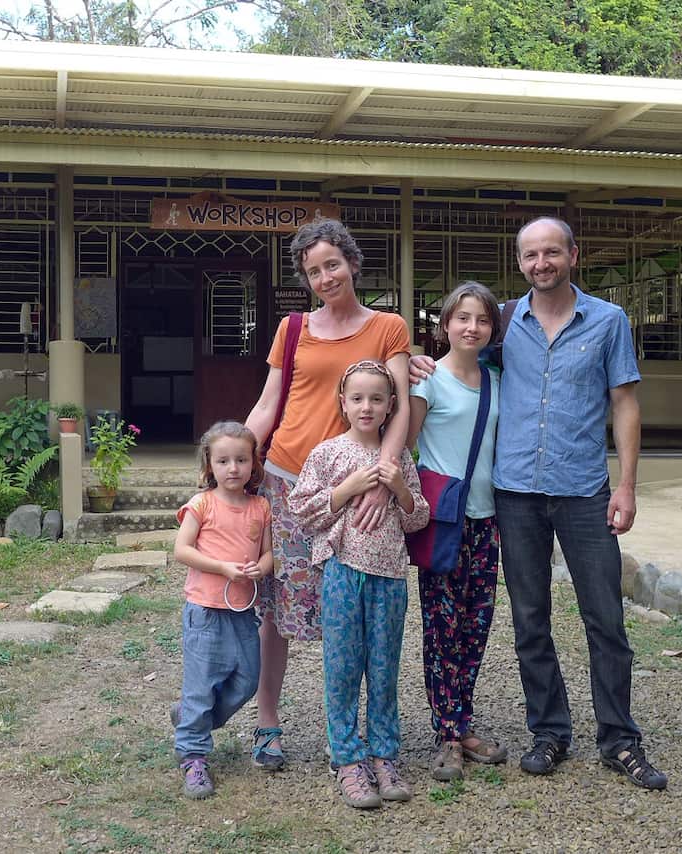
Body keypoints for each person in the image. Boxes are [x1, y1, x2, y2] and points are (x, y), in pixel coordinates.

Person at [411, 215, 666, 790]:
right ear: (519, 262)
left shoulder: (608, 321)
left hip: (583, 491)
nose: (541, 263)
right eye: (530, 256)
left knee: (605, 618)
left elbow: (624, 402)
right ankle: (549, 731)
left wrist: (626, 485)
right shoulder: (503, 321)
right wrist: (414, 360)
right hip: (516, 495)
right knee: (530, 620)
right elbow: (462, 359)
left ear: (574, 255)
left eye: (552, 252)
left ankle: (619, 739)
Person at [244, 218, 412, 771]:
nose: (324, 277)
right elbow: (270, 403)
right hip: (292, 481)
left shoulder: (388, 327)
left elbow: (400, 405)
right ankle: (268, 721)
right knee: (277, 610)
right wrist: (235, 461)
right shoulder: (293, 329)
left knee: (359, 608)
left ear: (353, 263)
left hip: (362, 486)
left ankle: (365, 735)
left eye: (332, 264)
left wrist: (385, 478)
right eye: (313, 270)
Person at [287, 360, 429, 808]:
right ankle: (347, 757)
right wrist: (346, 489)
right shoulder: (327, 454)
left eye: (377, 399)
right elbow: (301, 510)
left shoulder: (399, 457)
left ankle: (384, 754)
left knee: (384, 668)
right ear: (343, 404)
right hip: (343, 572)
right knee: (343, 667)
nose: (366, 407)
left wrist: (400, 491)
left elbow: (419, 516)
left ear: (390, 407)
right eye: (357, 398)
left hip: (389, 576)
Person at [406, 281, 507, 783]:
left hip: (487, 522)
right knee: (441, 628)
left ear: (492, 329)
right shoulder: (428, 382)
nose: (472, 327)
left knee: (476, 626)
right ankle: (446, 730)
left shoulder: (495, 382)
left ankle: (462, 720)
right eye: (462, 318)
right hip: (444, 520)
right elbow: (403, 446)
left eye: (482, 319)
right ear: (445, 325)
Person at [170, 421, 274, 799]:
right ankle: (193, 756)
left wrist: (260, 568)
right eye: (224, 460)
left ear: (253, 464)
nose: (233, 468)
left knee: (247, 679)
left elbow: (268, 553)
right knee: (201, 687)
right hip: (205, 610)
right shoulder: (202, 504)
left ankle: (189, 721)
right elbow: (182, 550)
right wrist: (223, 568)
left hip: (243, 610)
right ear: (209, 466)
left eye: (242, 460)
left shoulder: (260, 507)